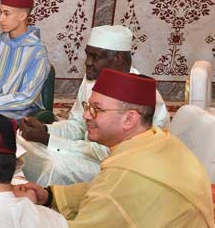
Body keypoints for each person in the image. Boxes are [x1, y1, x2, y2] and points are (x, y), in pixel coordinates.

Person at [14, 69, 215, 228]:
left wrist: (24, 217)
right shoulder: (159, 143)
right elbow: (103, 188)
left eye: (97, 109)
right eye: (88, 106)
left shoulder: (130, 175)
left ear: (130, 119)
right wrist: (49, 195)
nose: (86, 115)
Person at [18, 25, 169, 186]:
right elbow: (78, 125)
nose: (88, 63)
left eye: (96, 57)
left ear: (119, 58)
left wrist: (48, 140)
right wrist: (45, 129)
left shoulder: (141, 94)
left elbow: (110, 152)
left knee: (56, 166)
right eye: (88, 55)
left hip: (118, 167)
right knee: (21, 141)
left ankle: (48, 201)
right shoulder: (93, 78)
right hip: (85, 152)